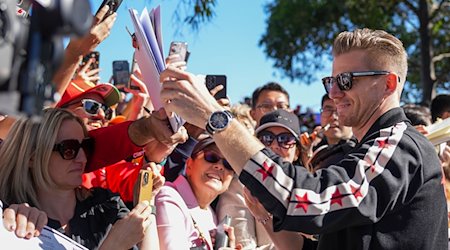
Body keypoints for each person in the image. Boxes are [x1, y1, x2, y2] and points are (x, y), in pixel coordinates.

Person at [159, 28, 448, 249]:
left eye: (346, 81)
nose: (334, 93)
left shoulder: (399, 144)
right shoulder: (372, 149)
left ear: (388, 83)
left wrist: (216, 118)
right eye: (331, 81)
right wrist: (264, 214)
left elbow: (313, 197)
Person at [0, 108, 160, 249]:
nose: (82, 158)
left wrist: (146, 201)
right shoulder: (15, 218)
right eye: (69, 149)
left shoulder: (105, 205)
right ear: (31, 157)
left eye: (86, 147)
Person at [216, 109, 302, 249]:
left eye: (285, 139)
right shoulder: (240, 186)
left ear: (297, 152)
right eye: (267, 138)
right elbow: (241, 245)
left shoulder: (311, 190)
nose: (274, 145)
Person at [155, 137, 236, 250]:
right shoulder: (168, 197)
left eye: (229, 164)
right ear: (189, 165)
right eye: (211, 157)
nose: (220, 166)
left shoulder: (210, 213)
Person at [301, 94, 355, 171]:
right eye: (328, 110)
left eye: (340, 110)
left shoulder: (358, 151)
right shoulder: (317, 150)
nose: (333, 117)